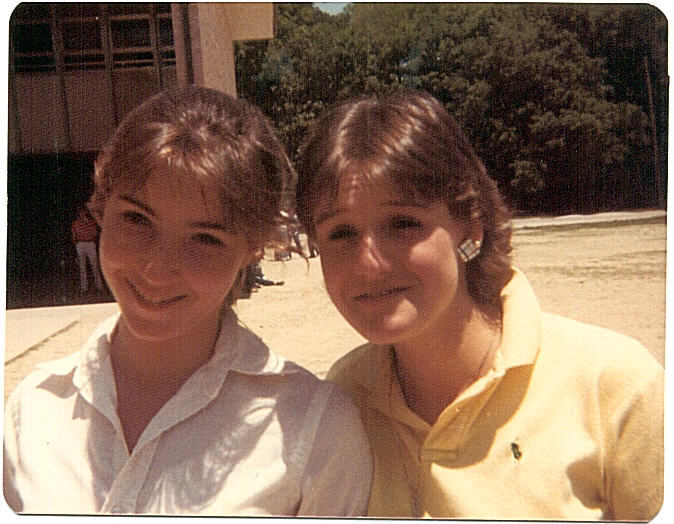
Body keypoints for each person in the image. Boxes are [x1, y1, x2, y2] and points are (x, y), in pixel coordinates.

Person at [4, 85, 372, 516]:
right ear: (101, 207)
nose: (157, 269)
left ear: (253, 247)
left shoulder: (314, 428)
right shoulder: (32, 408)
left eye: (205, 238)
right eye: (137, 219)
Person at [296, 90, 663, 521]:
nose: (369, 264)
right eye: (341, 233)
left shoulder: (614, 386)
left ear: (470, 226)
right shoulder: (346, 397)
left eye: (403, 223)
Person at [71, 203, 104, 294]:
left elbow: (95, 233)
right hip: (80, 244)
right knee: (82, 267)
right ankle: (84, 288)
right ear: (78, 213)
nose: (82, 213)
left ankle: (99, 286)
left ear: (86, 212)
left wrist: (91, 240)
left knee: (94, 265)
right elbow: (73, 235)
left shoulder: (91, 222)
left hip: (90, 244)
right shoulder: (75, 223)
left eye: (83, 211)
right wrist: (77, 244)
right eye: (80, 212)